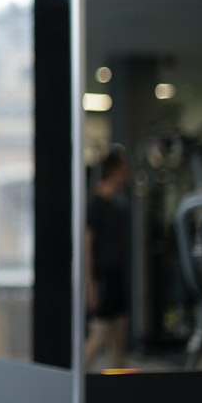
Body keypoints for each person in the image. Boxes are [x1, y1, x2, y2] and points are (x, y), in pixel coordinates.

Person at [84, 145, 130, 372]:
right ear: (114, 170)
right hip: (102, 275)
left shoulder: (116, 204)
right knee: (101, 333)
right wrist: (89, 282)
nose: (126, 173)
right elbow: (87, 245)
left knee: (120, 330)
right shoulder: (96, 205)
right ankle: (76, 378)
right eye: (123, 168)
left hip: (116, 274)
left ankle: (118, 378)